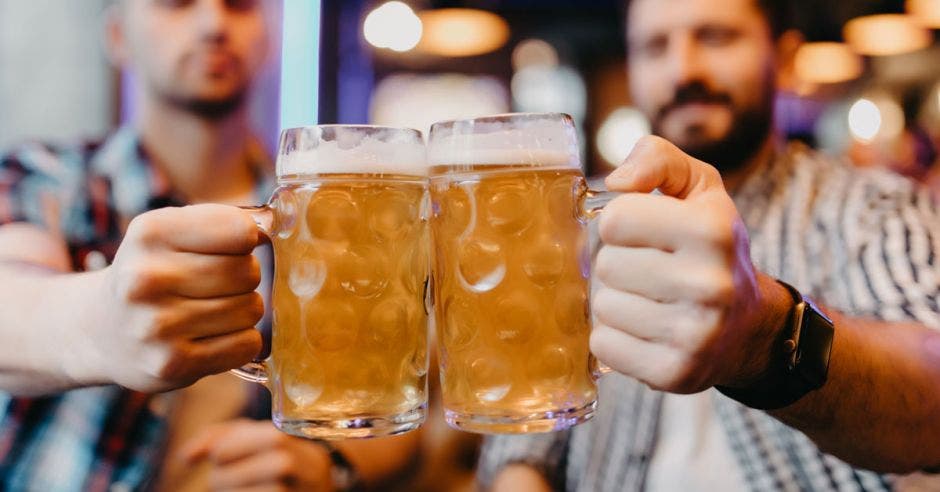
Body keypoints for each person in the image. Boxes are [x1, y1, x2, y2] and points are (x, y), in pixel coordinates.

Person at [479, 0, 940, 490]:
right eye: (655, 47)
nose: (684, 70)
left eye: (716, 37)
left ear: (783, 58)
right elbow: (523, 442)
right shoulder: (576, 219)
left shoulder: (871, 209)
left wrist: (767, 334)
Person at [0, 0, 418, 490]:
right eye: (176, 3)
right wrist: (98, 321)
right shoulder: (51, 177)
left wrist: (329, 464)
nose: (213, 23)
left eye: (238, 5)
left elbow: (392, 399)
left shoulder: (330, 210)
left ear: (267, 37)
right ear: (117, 35)